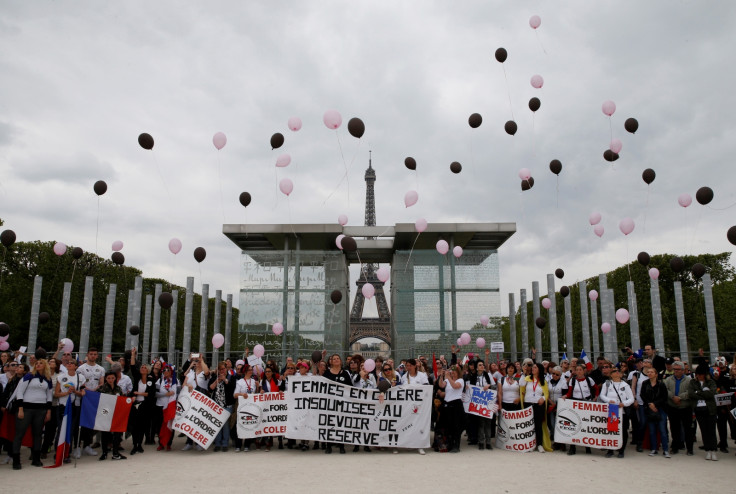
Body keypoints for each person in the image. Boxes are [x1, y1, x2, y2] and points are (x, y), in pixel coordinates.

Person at [12, 358, 53, 469]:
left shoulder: (47, 379)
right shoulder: (28, 376)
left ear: (45, 366)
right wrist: (20, 408)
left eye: (41, 363)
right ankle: (16, 460)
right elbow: (20, 392)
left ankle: (36, 458)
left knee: (38, 434)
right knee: (19, 434)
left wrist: (48, 411)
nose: (38, 365)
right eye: (37, 363)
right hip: (26, 408)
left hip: (41, 409)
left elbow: (49, 396)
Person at [598, 365, 634, 458]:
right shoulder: (607, 384)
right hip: (612, 410)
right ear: (611, 374)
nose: (616, 372)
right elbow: (602, 395)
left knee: (623, 430)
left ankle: (621, 450)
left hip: (622, 411)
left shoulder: (625, 385)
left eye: (618, 371)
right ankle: (610, 449)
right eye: (614, 371)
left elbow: (631, 398)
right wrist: (609, 400)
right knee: (611, 430)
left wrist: (624, 403)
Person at [54, 359, 85, 461]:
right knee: (61, 429)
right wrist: (67, 393)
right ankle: (58, 451)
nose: (69, 364)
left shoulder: (80, 377)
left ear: (76, 366)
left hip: (75, 405)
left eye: (72, 363)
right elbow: (56, 393)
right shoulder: (61, 377)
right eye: (68, 363)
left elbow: (83, 393)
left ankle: (67, 452)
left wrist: (75, 391)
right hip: (63, 405)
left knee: (71, 430)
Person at [564, 364, 598, 455]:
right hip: (576, 403)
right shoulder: (573, 380)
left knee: (586, 425)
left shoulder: (589, 380)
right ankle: (572, 447)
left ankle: (587, 446)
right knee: (574, 425)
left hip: (586, 403)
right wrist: (565, 396)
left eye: (580, 370)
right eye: (577, 370)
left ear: (584, 371)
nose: (578, 371)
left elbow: (596, 388)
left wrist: (595, 397)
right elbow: (570, 392)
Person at [77, 347, 104, 456]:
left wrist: (95, 390)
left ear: (97, 356)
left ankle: (87, 445)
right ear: (87, 355)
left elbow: (101, 383)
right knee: (80, 421)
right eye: (91, 354)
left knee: (91, 422)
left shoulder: (101, 369)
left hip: (94, 397)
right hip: (83, 397)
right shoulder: (81, 368)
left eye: (95, 354)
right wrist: (87, 390)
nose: (93, 356)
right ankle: (77, 446)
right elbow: (79, 382)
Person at [322, 354, 352, 454]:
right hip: (329, 402)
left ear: (341, 361)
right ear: (331, 361)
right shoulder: (326, 373)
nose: (335, 360)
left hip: (341, 403)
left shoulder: (345, 373)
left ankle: (341, 445)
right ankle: (328, 445)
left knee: (340, 423)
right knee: (329, 423)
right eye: (333, 359)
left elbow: (350, 388)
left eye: (337, 358)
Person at [689, 364, 718, 460]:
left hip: (710, 409)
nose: (700, 376)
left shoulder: (711, 382)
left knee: (711, 430)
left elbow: (712, 393)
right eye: (698, 374)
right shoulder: (693, 382)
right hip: (698, 409)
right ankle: (708, 450)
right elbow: (691, 394)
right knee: (704, 431)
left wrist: (698, 392)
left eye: (701, 374)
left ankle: (713, 450)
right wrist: (703, 393)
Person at [520, 362, 550, 453]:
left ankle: (540, 444)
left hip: (538, 405)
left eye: (535, 367)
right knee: (529, 425)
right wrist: (524, 373)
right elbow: (521, 385)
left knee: (538, 425)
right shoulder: (527, 379)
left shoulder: (543, 381)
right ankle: (530, 444)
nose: (533, 369)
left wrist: (543, 398)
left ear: (539, 370)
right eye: (532, 367)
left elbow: (546, 393)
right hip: (528, 404)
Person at [664, 361, 693, 455]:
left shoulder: (689, 380)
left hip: (685, 407)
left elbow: (691, 392)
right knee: (674, 428)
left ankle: (690, 448)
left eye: (678, 369)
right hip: (673, 407)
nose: (676, 371)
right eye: (674, 369)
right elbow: (665, 390)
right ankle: (675, 446)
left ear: (683, 370)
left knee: (687, 428)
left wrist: (680, 397)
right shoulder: (669, 379)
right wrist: (673, 397)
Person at [641, 367, 670, 458]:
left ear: (656, 374)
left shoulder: (661, 384)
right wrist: (650, 404)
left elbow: (664, 397)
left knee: (662, 430)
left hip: (660, 408)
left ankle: (665, 450)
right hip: (649, 408)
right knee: (652, 430)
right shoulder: (645, 383)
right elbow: (643, 395)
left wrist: (655, 404)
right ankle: (654, 448)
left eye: (652, 372)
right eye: (648, 372)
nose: (649, 373)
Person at [97, 371, 126, 461]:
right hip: (105, 413)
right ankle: (104, 452)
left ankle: (116, 453)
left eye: (112, 378)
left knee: (117, 433)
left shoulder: (118, 388)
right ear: (106, 378)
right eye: (109, 378)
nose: (110, 380)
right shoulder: (102, 388)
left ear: (115, 379)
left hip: (116, 414)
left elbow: (122, 399)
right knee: (105, 434)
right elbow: (96, 399)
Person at [208, 361, 236, 452]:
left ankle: (225, 444)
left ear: (226, 368)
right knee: (217, 425)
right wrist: (217, 381)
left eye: (223, 369)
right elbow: (210, 388)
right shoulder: (214, 378)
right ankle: (217, 443)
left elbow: (232, 388)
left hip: (227, 405)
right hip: (216, 405)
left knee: (225, 425)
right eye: (220, 369)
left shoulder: (231, 377)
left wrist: (225, 380)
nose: (222, 371)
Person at [438, 364, 464, 453]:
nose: (452, 372)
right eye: (451, 371)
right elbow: (441, 385)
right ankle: (449, 444)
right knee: (448, 425)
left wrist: (448, 377)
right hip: (447, 403)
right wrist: (441, 376)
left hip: (456, 404)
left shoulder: (461, 380)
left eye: (454, 371)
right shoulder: (447, 380)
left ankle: (456, 445)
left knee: (456, 426)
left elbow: (455, 386)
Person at [130, 363, 155, 455]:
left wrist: (139, 393)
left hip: (145, 405)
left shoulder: (151, 380)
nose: (143, 369)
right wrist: (133, 355)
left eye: (145, 368)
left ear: (148, 370)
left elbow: (151, 393)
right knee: (134, 426)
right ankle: (134, 444)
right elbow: (132, 367)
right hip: (135, 404)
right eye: (142, 367)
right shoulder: (137, 379)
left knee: (142, 426)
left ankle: (139, 444)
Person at [233, 364, 258, 452]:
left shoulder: (254, 381)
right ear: (245, 371)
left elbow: (256, 394)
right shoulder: (240, 382)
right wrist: (242, 394)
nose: (251, 371)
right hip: (242, 406)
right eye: (249, 370)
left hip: (251, 407)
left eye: (252, 370)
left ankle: (247, 444)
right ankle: (238, 445)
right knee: (239, 425)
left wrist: (258, 387)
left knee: (249, 424)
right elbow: (235, 395)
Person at [40, 357, 61, 459]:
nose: (50, 363)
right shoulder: (43, 375)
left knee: (52, 428)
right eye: (49, 362)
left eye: (53, 361)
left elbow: (59, 390)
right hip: (43, 404)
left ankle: (47, 447)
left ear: (56, 364)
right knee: (43, 428)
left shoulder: (60, 376)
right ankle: (40, 449)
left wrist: (50, 393)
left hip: (55, 405)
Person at [546, 365, 568, 450]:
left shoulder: (563, 383)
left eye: (557, 374)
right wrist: (550, 402)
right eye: (553, 373)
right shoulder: (548, 382)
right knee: (551, 423)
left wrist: (558, 403)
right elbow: (545, 392)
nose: (554, 375)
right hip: (550, 405)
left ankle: (561, 442)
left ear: (560, 375)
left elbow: (565, 395)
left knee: (559, 424)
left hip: (560, 405)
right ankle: (556, 440)